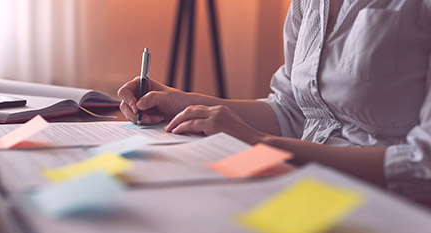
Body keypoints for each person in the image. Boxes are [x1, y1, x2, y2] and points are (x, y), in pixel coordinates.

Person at [118, 0, 431, 200]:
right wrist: (180, 101)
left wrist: (263, 145)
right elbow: (292, 110)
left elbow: (423, 166)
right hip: (301, 187)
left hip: (386, 206)